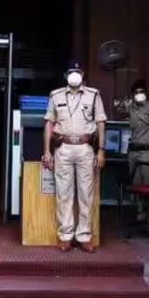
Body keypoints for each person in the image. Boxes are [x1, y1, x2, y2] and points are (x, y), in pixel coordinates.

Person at [42, 62, 107, 253]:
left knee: (86, 193)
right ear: (65, 75)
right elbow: (49, 123)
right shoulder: (56, 95)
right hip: (63, 148)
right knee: (64, 194)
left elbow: (101, 123)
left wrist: (101, 150)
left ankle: (84, 236)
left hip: (86, 148)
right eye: (71, 72)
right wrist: (47, 151)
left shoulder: (93, 95)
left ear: (83, 74)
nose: (74, 75)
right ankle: (65, 236)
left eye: (77, 72)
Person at [119, 79, 149, 209]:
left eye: (141, 91)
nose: (139, 94)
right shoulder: (131, 109)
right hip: (134, 153)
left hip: (148, 153)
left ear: (146, 93)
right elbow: (119, 109)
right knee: (136, 186)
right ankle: (140, 213)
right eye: (136, 92)